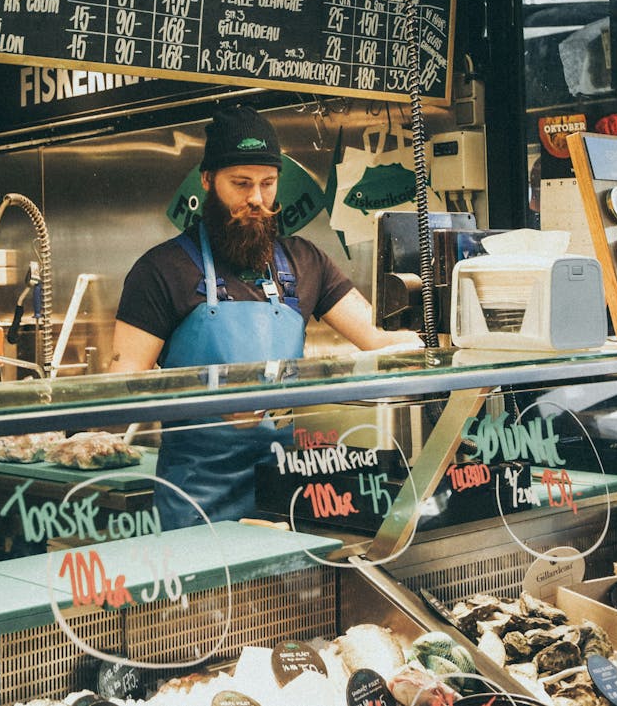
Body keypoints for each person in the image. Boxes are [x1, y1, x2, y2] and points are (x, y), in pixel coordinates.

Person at [111, 104, 421, 528]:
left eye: (267, 183)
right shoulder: (161, 270)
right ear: (207, 180)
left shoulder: (306, 262)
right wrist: (214, 398)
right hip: (196, 506)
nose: (256, 199)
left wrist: (443, 346)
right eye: (241, 184)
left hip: (285, 498)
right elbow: (123, 386)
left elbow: (375, 338)